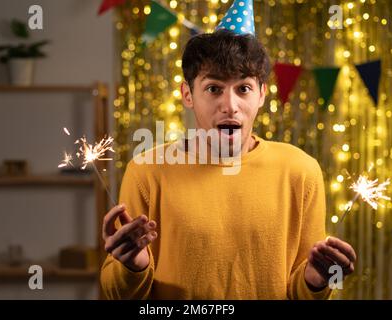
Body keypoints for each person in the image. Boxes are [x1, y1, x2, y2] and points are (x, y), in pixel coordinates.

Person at [100, 0, 356, 300]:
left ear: (261, 94)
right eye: (214, 88)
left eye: (243, 88)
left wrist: (316, 280)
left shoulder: (300, 171)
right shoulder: (147, 171)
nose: (230, 106)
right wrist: (133, 265)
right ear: (188, 94)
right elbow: (115, 293)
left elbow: (302, 291)